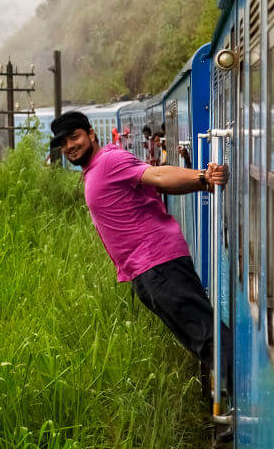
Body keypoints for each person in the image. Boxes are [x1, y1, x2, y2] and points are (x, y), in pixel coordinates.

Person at [50, 110, 229, 365]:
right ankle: (236, 389)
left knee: (207, 339)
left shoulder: (110, 160)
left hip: (159, 264)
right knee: (202, 341)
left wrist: (203, 178)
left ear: (91, 133)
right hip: (147, 270)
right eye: (63, 142)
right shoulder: (94, 170)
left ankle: (250, 395)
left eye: (74, 137)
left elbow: (157, 176)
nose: (69, 146)